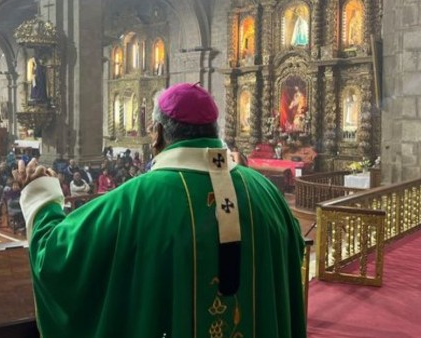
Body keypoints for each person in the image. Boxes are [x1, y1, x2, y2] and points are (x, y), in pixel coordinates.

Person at [15, 83, 306, 338]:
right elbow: (292, 252)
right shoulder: (267, 193)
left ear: (157, 134)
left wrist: (41, 194)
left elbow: (57, 255)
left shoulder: (136, 200)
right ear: (214, 131)